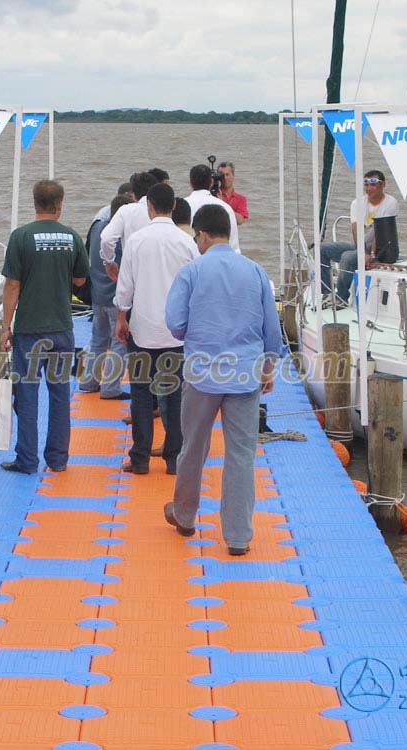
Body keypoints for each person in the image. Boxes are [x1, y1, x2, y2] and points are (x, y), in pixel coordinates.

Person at [163, 204, 284, 556]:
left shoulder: (192, 272)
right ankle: (237, 536)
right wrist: (268, 366)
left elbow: (175, 323)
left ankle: (184, 516)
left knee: (193, 449)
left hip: (202, 374)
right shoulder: (256, 271)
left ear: (201, 234)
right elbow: (271, 330)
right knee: (241, 456)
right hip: (245, 375)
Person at [0, 179, 89, 474]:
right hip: (61, 328)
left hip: (29, 329)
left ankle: (27, 460)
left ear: (35, 202)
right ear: (59, 204)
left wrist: (5, 327)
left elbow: (12, 284)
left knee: (26, 396)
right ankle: (58, 459)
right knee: (60, 395)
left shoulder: (20, 237)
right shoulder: (72, 237)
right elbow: (80, 281)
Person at [114, 183, 198, 475]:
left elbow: (125, 288)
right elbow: (195, 289)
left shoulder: (136, 241)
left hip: (142, 329)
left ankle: (140, 458)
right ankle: (174, 459)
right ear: (174, 206)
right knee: (173, 396)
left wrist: (121, 319)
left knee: (140, 394)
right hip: (176, 333)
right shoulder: (187, 242)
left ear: (148, 207)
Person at [79, 193, 132, 399]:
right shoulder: (120, 237)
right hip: (115, 297)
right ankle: (111, 387)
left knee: (98, 340)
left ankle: (89, 381)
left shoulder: (97, 228)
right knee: (120, 342)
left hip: (97, 294)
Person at [319, 169, 398, 305]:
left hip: (383, 247)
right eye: (366, 184)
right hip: (362, 245)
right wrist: (362, 251)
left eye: (373, 184)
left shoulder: (390, 203)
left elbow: (380, 233)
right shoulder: (357, 203)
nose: (369, 188)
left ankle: (342, 297)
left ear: (383, 185)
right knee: (322, 250)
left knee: (347, 257)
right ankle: (326, 292)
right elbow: (355, 228)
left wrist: (370, 254)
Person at [100, 170, 159, 280]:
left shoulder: (126, 211)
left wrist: (109, 261)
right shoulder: (163, 211)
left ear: (133, 194)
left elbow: (106, 238)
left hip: (132, 272)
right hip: (159, 271)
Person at [185, 164, 240, 252]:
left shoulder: (182, 206)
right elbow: (234, 247)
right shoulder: (225, 207)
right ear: (211, 182)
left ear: (190, 183)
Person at [217, 161, 248, 225]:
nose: (225, 178)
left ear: (233, 175)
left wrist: (222, 204)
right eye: (222, 175)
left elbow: (240, 221)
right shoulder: (213, 195)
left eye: (227, 174)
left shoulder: (240, 199)